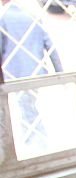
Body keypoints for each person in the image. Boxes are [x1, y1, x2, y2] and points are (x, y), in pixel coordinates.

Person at [0, 0, 63, 153]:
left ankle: (36, 145)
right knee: (28, 108)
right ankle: (36, 141)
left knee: (26, 110)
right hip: (36, 71)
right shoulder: (32, 15)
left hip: (14, 74)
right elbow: (50, 45)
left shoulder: (3, 20)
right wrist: (60, 72)